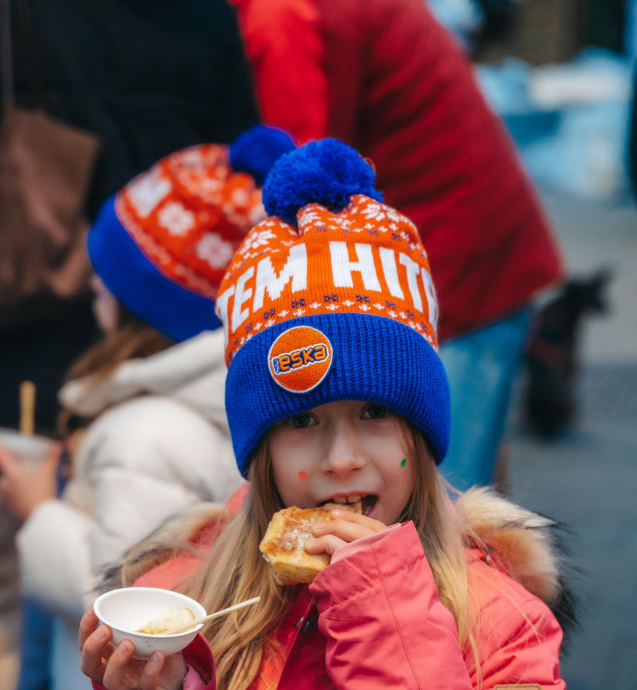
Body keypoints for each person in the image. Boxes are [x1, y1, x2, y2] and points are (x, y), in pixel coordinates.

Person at [65, 139, 568, 690]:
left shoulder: (499, 614)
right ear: (260, 453)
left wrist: (387, 611)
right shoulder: (184, 599)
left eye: (375, 413)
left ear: (420, 435)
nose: (341, 459)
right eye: (303, 423)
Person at [0, 0, 260, 690]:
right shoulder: (238, 402)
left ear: (131, 300)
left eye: (106, 280)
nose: (91, 287)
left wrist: (35, 513)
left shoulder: (135, 433)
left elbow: (114, 591)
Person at [229, 0, 564, 489]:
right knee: (458, 495)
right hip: (469, 240)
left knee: (441, 500)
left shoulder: (282, 16)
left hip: (454, 260)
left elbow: (297, 174)